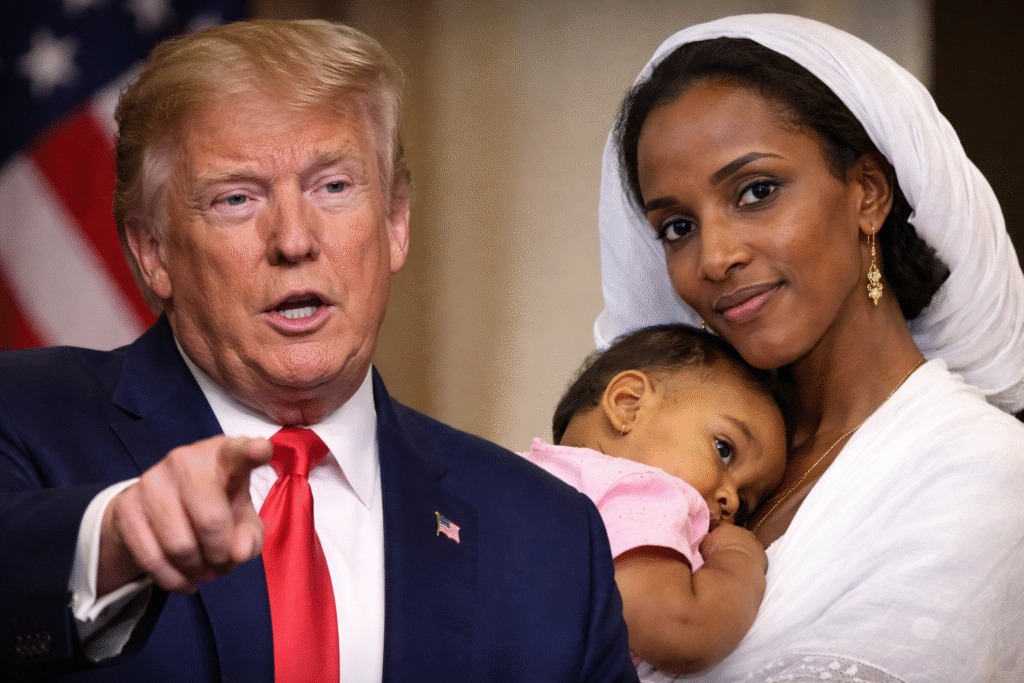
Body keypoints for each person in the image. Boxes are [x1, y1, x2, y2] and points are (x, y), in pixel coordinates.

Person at [0, 19, 638, 683]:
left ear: (395, 224)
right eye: (236, 198)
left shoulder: (550, 538)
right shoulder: (22, 414)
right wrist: (116, 535)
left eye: (333, 186)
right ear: (153, 252)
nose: (294, 239)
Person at [596, 13, 1024, 683]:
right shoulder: (668, 458)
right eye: (678, 226)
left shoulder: (981, 469)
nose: (714, 256)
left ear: (869, 194)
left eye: (756, 192)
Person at [521, 324, 786, 678]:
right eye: (724, 450)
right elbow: (682, 632)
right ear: (628, 405)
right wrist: (739, 559)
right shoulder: (640, 489)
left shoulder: (529, 475)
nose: (732, 502)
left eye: (747, 502)